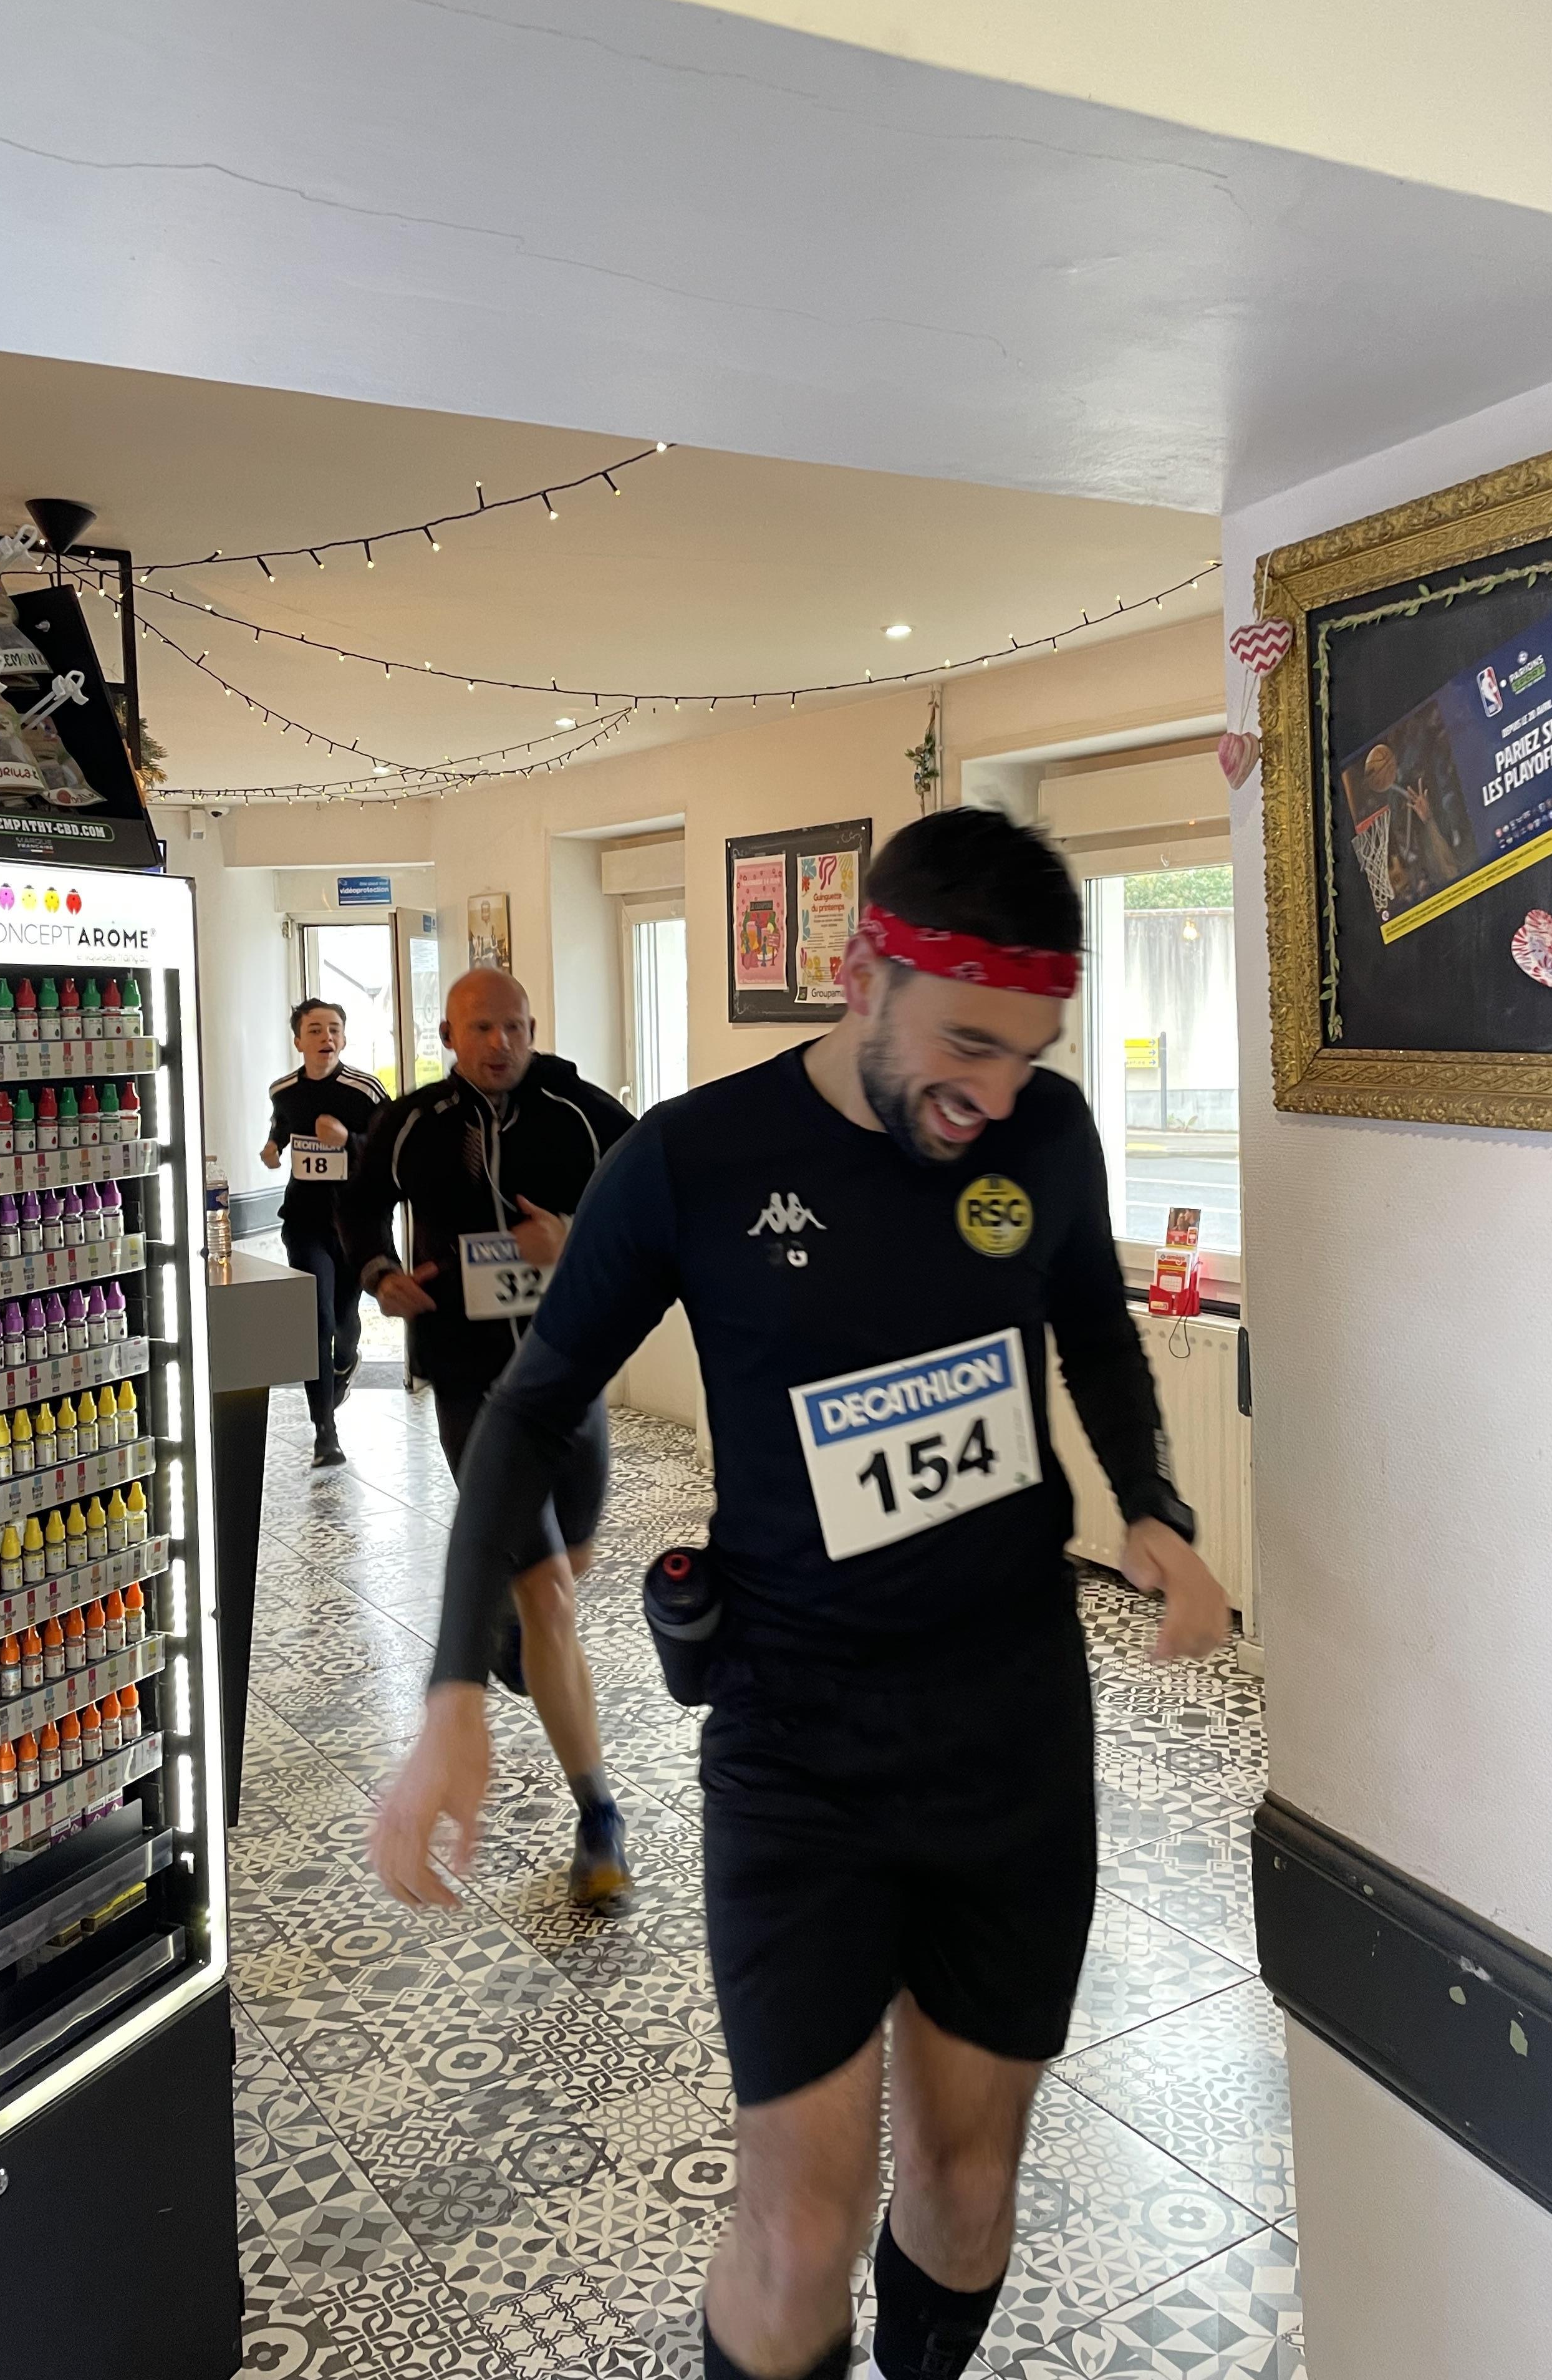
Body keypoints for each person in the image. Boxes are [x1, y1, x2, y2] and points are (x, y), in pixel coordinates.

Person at [370, 809, 1232, 2380]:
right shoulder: (692, 1160)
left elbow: (1095, 1332)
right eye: (966, 1044)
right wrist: (449, 1698)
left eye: (1028, 1056)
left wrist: (1153, 1505)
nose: (993, 1096)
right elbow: (530, 1409)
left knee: (967, 2193)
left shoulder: (1044, 1134)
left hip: (1011, 1727)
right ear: (860, 976)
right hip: (796, 1736)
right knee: (795, 2228)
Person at [339, 964, 637, 1902]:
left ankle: (511, 1632)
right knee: (551, 1597)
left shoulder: (583, 1114)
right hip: (471, 1385)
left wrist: (575, 1237)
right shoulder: (414, 1121)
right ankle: (600, 1817)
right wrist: (379, 1273)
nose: (500, 1044)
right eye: (481, 1029)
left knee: (566, 1572)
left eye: (515, 1027)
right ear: (448, 1036)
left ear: (533, 1030)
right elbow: (356, 1204)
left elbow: (653, 1213)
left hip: (571, 1380)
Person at [261, 999, 387, 1470]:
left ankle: (346, 1362)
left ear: (344, 1038)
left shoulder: (366, 1090)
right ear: (299, 1041)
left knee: (344, 1320)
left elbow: (392, 1146)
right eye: (315, 1030)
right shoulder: (284, 1090)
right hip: (305, 1223)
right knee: (317, 1321)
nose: (326, 1037)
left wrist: (348, 1141)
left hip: (355, 1225)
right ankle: (324, 1433)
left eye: (334, 1029)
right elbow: (283, 1124)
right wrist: (273, 1146)